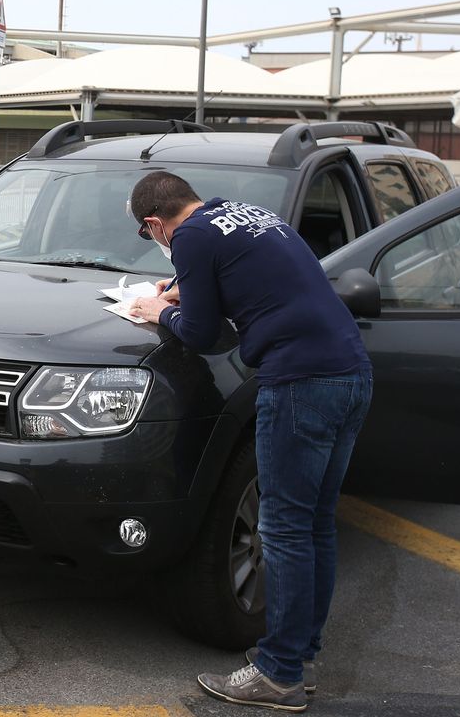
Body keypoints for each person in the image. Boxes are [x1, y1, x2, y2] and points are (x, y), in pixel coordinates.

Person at [128, 171, 372, 713]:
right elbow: (248, 282)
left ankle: (277, 674)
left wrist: (159, 310)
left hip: (300, 383)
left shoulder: (188, 237)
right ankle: (300, 660)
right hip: (350, 373)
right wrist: (188, 291)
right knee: (313, 525)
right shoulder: (249, 215)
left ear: (154, 224)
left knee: (282, 528)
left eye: (151, 237)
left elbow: (199, 333)